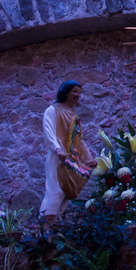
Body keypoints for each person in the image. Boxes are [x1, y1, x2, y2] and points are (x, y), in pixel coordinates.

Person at [40, 80, 94, 235]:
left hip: (70, 160)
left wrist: (88, 158)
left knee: (65, 194)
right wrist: (57, 149)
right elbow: (48, 131)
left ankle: (55, 229)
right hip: (57, 159)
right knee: (55, 191)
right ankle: (44, 229)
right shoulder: (53, 110)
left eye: (80, 92)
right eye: (75, 91)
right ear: (65, 92)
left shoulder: (73, 115)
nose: (78, 95)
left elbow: (79, 139)